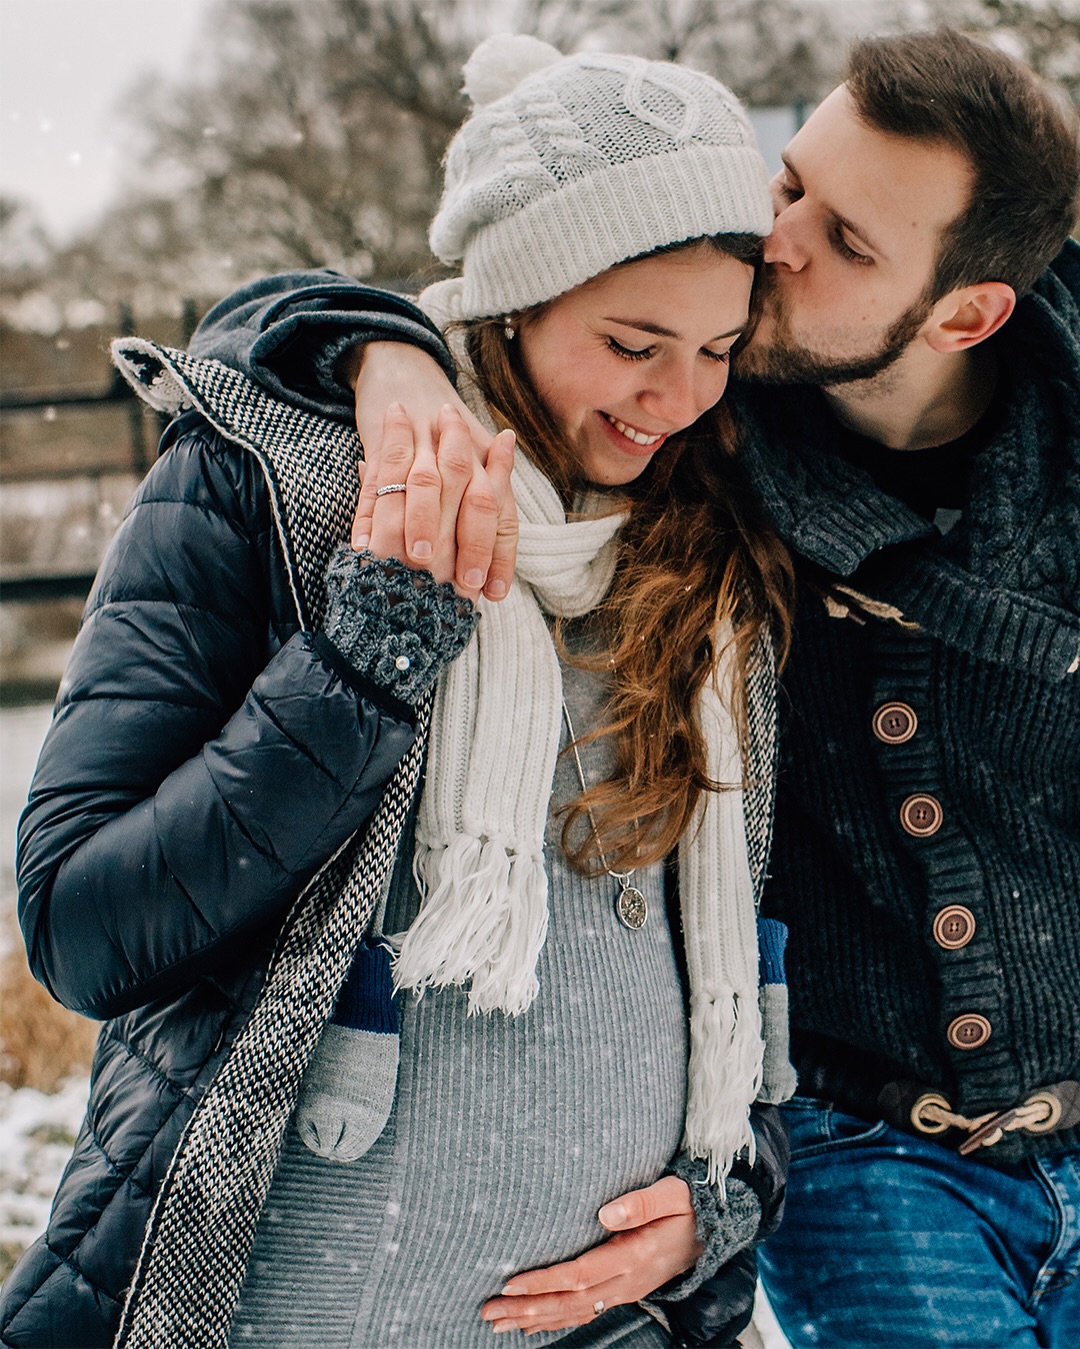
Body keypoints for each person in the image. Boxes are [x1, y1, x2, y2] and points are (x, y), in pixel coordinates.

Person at [177, 25, 1080, 1349]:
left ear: (965, 312)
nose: (777, 242)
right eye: (792, 187)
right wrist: (387, 359)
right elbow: (294, 320)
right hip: (870, 1144)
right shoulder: (697, 400)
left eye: (849, 243)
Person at [1, 38, 796, 1349]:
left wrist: (725, 1199)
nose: (681, 395)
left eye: (718, 345)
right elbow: (87, 928)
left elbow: (753, 950)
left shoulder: (716, 555)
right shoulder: (293, 486)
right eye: (634, 341)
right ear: (513, 301)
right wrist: (370, 657)